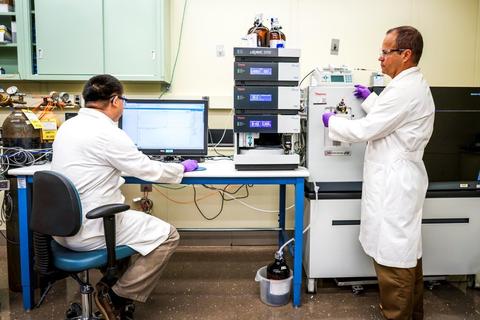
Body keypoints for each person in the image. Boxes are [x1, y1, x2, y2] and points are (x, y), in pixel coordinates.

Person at [51, 74, 198, 320]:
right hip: (90, 229)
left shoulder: (69, 126)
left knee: (129, 215)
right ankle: (117, 296)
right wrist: (182, 168)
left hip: (62, 229)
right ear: (116, 100)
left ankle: (112, 281)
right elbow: (147, 169)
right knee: (168, 235)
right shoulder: (107, 133)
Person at [322, 26, 435, 320]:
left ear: (406, 54)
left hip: (395, 185)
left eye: (386, 52)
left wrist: (331, 121)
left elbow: (366, 130)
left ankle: (398, 314)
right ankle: (413, 313)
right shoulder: (406, 86)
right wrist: (370, 99)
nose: (380, 58)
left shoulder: (403, 89)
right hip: (399, 179)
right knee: (406, 255)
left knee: (395, 258)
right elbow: (393, 121)